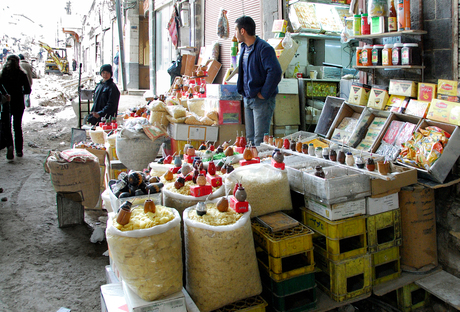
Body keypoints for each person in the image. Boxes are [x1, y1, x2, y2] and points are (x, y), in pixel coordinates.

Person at [235, 16, 282, 146]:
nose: (235, 33)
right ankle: (252, 164)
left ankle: (261, 165)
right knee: (249, 140)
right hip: (248, 98)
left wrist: (264, 93)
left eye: (236, 30)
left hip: (261, 100)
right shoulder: (244, 48)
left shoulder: (264, 48)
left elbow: (276, 72)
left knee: (260, 140)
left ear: (242, 31)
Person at [0, 55, 31, 160]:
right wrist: (19, 92)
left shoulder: (3, 74)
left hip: (6, 103)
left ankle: (10, 146)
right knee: (17, 126)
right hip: (18, 103)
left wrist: (5, 93)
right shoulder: (21, 74)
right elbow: (27, 90)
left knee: (7, 127)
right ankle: (19, 151)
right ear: (18, 63)